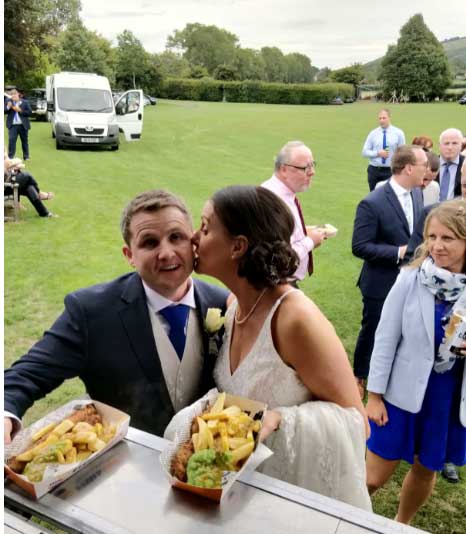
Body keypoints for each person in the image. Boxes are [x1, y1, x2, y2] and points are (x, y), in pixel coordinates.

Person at [191, 185, 371, 510]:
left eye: (204, 228)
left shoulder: (296, 320)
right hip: (239, 489)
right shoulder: (234, 305)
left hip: (293, 497)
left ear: (237, 247)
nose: (193, 237)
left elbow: (358, 422)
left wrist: (278, 420)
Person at [4, 190, 228, 441]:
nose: (166, 253)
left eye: (176, 237)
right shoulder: (90, 312)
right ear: (129, 255)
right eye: (149, 243)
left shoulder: (224, 304)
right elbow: (26, 374)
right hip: (123, 465)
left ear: (193, 242)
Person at [365, 199, 466, 524]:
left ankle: (401, 524)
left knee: (426, 469)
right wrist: (374, 396)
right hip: (399, 395)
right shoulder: (410, 280)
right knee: (371, 478)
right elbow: (385, 338)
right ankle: (343, 518)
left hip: (446, 399)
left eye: (447, 238)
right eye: (432, 237)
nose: (437, 246)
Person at [352, 145, 425, 397]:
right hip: (379, 282)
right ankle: (358, 375)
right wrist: (399, 252)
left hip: (410, 279)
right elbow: (359, 246)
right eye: (423, 164)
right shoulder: (372, 202)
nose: (427, 169)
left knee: (401, 329)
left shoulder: (417, 194)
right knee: (372, 329)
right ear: (408, 168)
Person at [261, 141, 326, 283]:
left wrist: (303, 232)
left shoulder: (284, 194)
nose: (312, 172)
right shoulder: (274, 201)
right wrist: (310, 241)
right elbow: (279, 257)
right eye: (305, 168)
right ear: (284, 170)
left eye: (312, 165)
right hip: (278, 284)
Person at [362, 108, 405, 191]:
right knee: (374, 198)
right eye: (380, 118)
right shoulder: (373, 133)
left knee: (390, 196)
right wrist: (378, 153)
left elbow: (402, 153)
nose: (381, 120)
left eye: (384, 118)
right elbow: (364, 152)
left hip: (390, 171)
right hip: (374, 170)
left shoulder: (398, 133)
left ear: (389, 118)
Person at [437, 128, 464, 201]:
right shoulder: (430, 163)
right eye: (446, 143)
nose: (450, 147)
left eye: (454, 143)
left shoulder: (465, 164)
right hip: (432, 211)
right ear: (439, 146)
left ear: (461, 146)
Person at [4, 88, 32, 160]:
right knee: (11, 140)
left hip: (23, 125)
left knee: (24, 141)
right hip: (13, 125)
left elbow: (29, 112)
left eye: (15, 95)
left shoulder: (25, 102)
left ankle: (26, 156)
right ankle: (10, 157)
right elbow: (4, 110)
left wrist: (20, 110)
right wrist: (8, 107)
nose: (13, 97)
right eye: (12, 96)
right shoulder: (8, 101)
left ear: (18, 94)